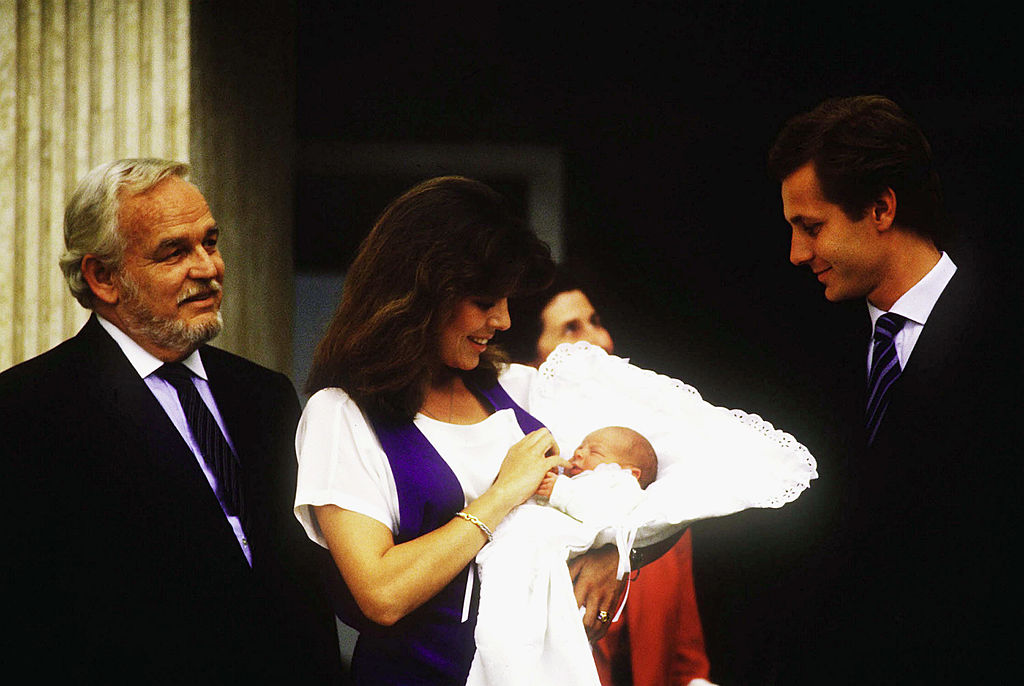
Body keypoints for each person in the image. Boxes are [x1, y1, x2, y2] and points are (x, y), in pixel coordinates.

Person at [0, 159, 342, 682]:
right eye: (174, 252)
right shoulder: (27, 411)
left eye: (210, 241)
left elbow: (303, 592)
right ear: (102, 277)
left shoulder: (266, 396)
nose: (208, 268)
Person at [294, 175, 616, 684]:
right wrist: (503, 493)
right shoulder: (341, 416)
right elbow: (381, 594)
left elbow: (661, 467)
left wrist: (611, 549)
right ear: (422, 293)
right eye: (487, 300)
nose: (506, 320)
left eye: (508, 300)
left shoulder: (520, 387)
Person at [767, 95, 1019, 682]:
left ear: (881, 208)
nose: (797, 254)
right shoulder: (806, 351)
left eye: (812, 227)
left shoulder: (1006, 339)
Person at [502, 269, 716, 686]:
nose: (599, 340)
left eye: (596, 322)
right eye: (571, 328)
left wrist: (623, 549)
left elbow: (687, 665)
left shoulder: (657, 497)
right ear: (530, 363)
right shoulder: (521, 492)